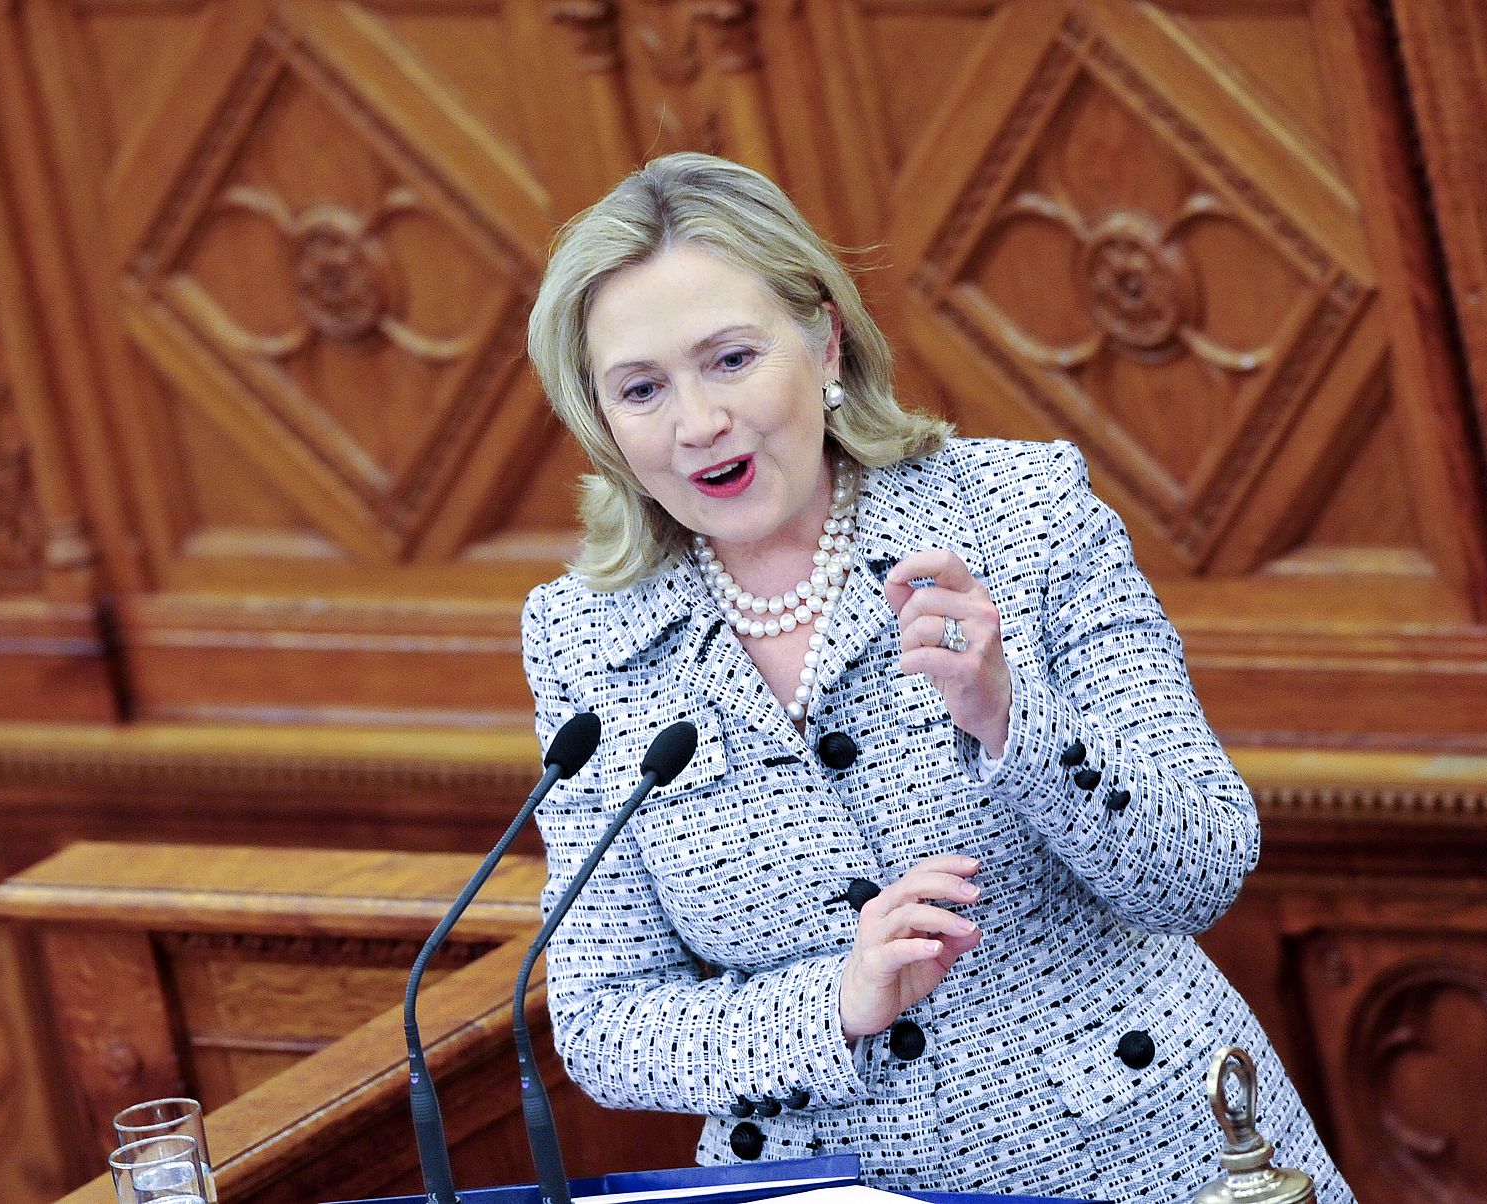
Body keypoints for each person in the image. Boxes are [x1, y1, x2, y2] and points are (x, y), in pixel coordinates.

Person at [521, 152, 1353, 1203]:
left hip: (1148, 1159)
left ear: (822, 340)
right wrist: (836, 1000)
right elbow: (601, 1021)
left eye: (729, 359)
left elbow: (1201, 867)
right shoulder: (583, 636)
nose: (695, 423)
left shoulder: (1022, 511)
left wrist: (1013, 721)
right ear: (601, 418)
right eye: (641, 388)